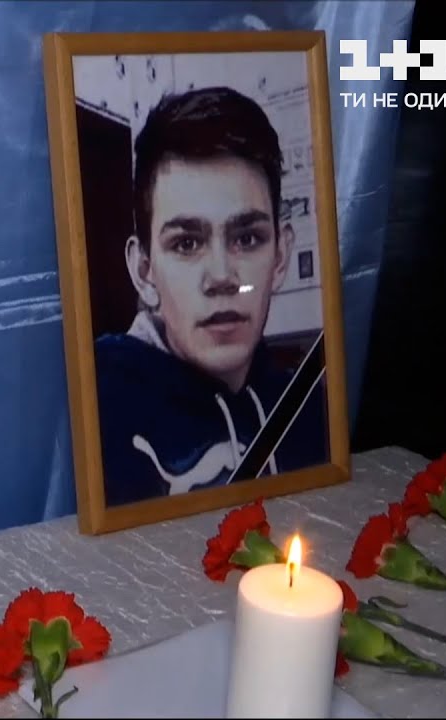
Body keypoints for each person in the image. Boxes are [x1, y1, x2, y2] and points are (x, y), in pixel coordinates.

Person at [93, 86, 328, 507]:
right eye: (186, 243)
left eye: (247, 238)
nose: (221, 276)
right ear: (144, 271)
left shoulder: (312, 406)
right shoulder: (95, 410)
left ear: (280, 258)